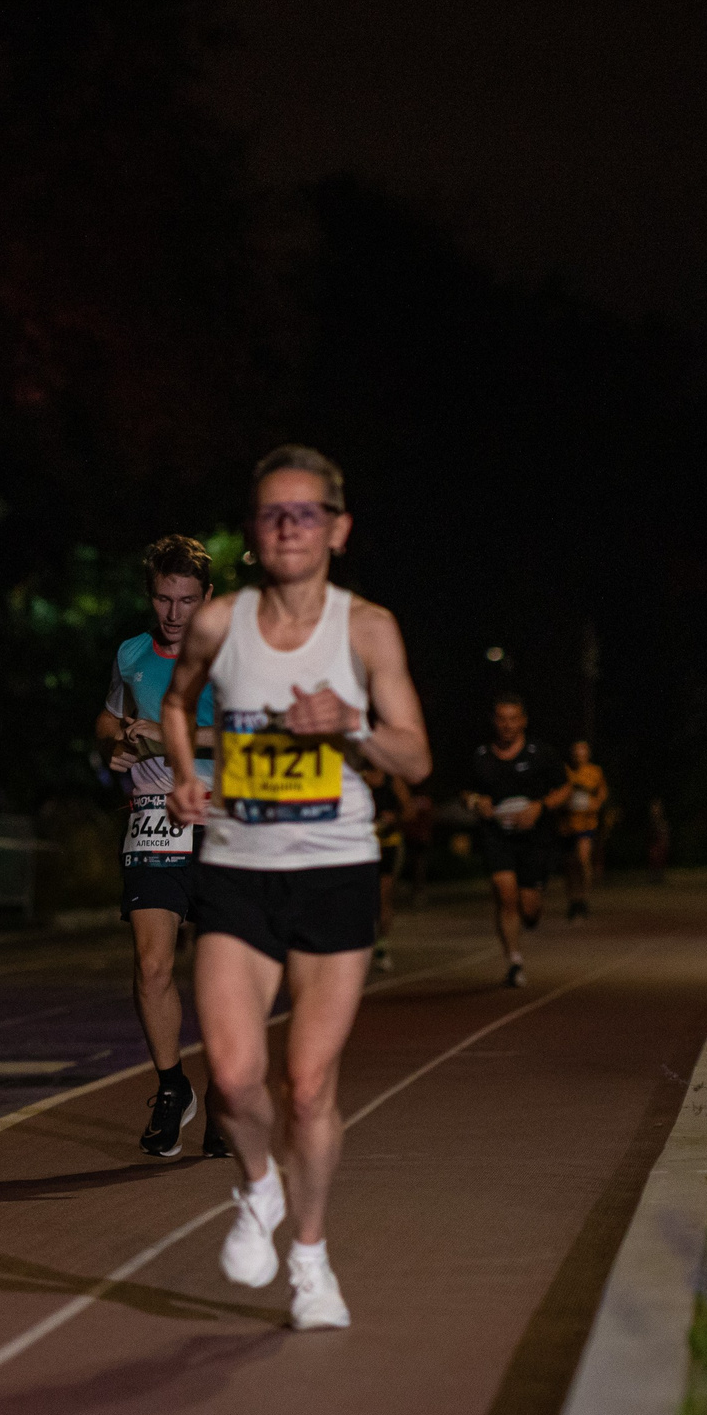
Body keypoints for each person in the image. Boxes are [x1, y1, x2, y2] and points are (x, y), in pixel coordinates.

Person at [162, 444, 430, 1332]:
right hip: (237, 867)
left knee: (309, 1085)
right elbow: (176, 702)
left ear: (337, 529)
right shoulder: (218, 623)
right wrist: (184, 773)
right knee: (236, 1082)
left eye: (305, 512)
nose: (287, 526)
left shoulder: (367, 631)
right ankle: (257, 1186)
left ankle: (310, 1258)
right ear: (251, 530)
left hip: (334, 869)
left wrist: (349, 723)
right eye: (271, 513)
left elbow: (417, 758)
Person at [95, 533, 231, 1159]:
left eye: (186, 601)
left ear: (208, 598)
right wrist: (117, 742)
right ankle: (173, 1087)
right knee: (152, 966)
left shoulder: (231, 655)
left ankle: (226, 1095)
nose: (174, 615)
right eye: (162, 600)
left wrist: (172, 736)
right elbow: (110, 716)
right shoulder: (130, 653)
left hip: (225, 821)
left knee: (221, 975)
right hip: (155, 818)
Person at [456, 696, 570, 988]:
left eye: (513, 719)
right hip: (497, 837)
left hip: (535, 839)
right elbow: (465, 792)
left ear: (523, 721)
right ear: (495, 721)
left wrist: (540, 807)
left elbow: (565, 787)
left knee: (529, 909)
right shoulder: (481, 756)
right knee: (505, 895)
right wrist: (475, 801)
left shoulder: (540, 753)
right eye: (502, 719)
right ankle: (514, 960)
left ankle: (529, 914)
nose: (507, 725)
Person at [556, 740, 608, 921]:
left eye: (583, 751)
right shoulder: (565, 772)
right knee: (570, 865)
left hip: (587, 823)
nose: (579, 755)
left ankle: (584, 897)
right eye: (576, 751)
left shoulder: (595, 772)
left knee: (583, 859)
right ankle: (573, 900)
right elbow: (557, 794)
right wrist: (563, 803)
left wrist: (596, 803)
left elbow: (601, 793)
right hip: (567, 825)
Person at [365, 763, 410, 972]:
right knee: (360, 898)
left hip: (388, 844)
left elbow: (409, 810)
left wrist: (395, 818)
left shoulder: (393, 778)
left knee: (384, 896)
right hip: (361, 846)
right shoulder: (356, 775)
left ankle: (381, 946)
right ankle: (360, 947)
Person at [646, 796, 673, 883]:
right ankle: (653, 878)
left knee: (660, 860)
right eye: (654, 807)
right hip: (654, 844)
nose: (655, 809)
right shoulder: (651, 821)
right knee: (653, 860)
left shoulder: (662, 821)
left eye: (657, 807)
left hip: (660, 844)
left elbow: (664, 832)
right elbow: (650, 835)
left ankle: (659, 877)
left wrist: (665, 842)